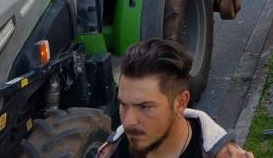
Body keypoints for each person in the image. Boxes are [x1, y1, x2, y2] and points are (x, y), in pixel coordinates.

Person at [98, 39, 254, 158]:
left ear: (180, 103)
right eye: (124, 104)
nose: (129, 121)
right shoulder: (112, 151)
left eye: (144, 107)